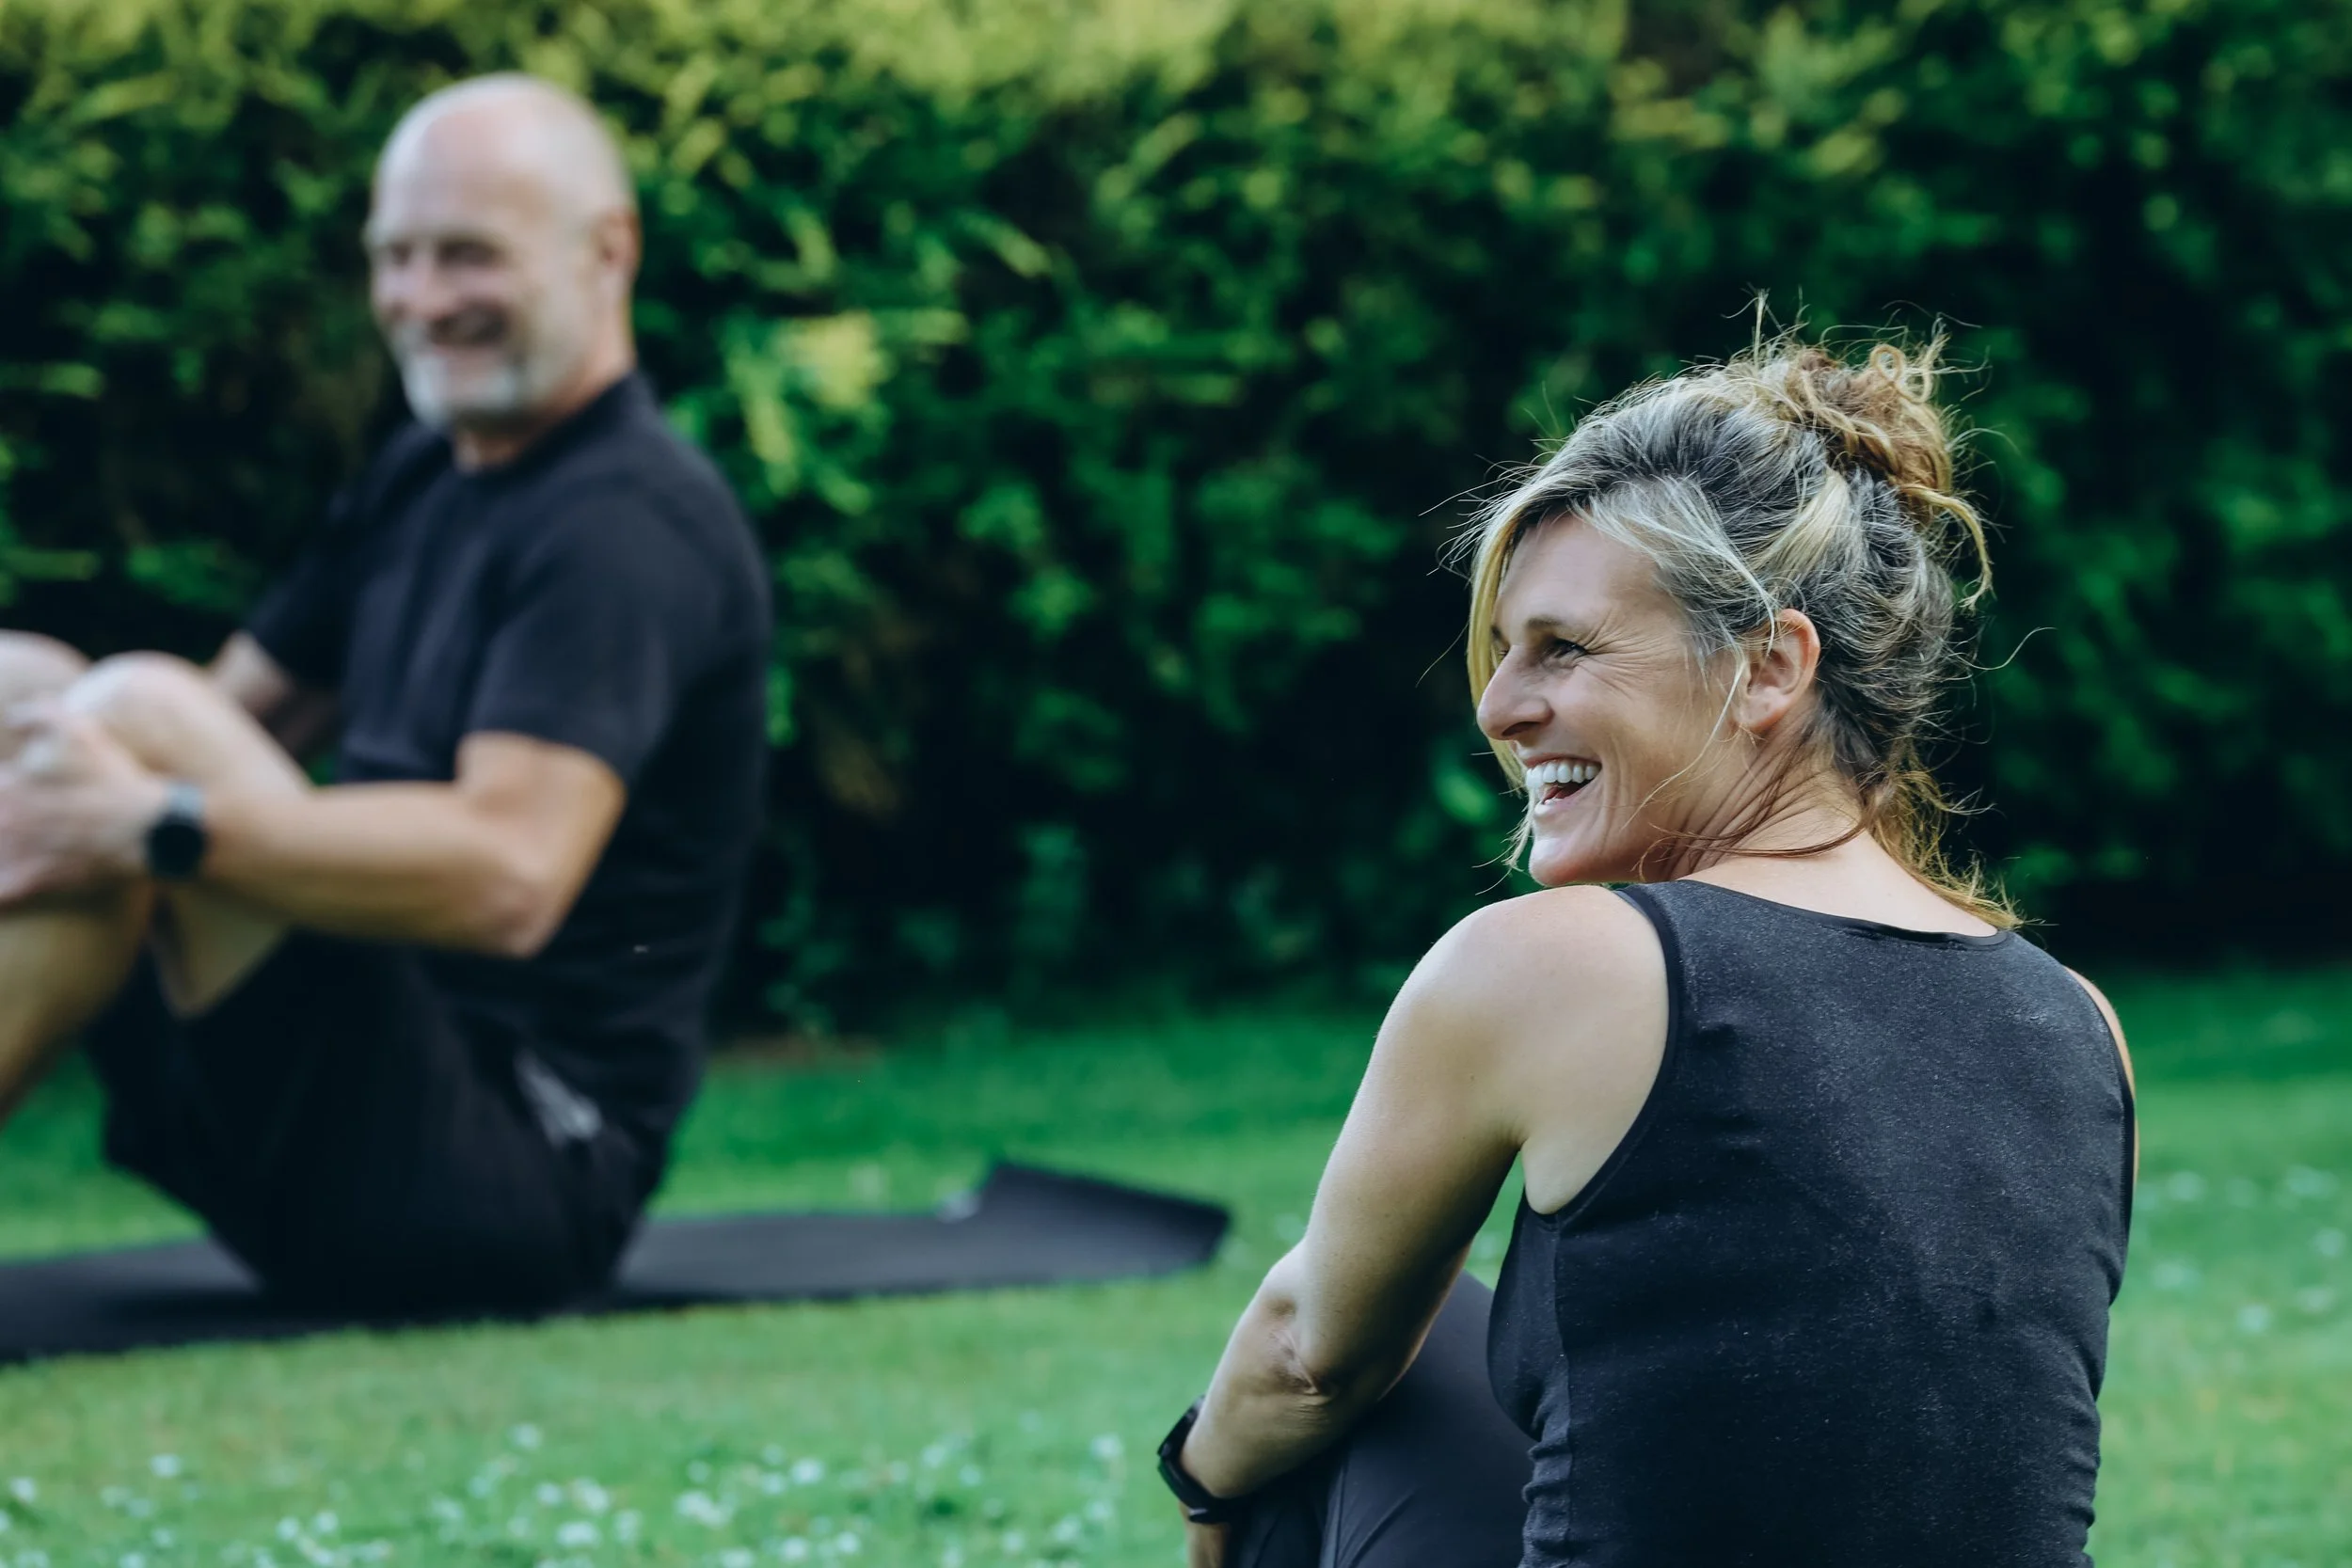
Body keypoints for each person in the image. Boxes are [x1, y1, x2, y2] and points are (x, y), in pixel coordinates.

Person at [1154, 338, 2137, 1566]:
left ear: (1768, 668)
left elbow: (1308, 1357)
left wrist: (1204, 1496)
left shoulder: (1558, 964)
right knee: (1434, 1326)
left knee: (1345, 1366)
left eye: (1563, 647)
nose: (1498, 706)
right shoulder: (2079, 1023)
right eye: (1505, 647)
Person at [0, 75, 771, 1314]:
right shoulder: (423, 475)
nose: (421, 299)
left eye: (469, 255)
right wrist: (77, 789)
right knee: (30, 693)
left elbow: (510, 876)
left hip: (513, 1170)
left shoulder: (629, 524)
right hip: (338, 1105)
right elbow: (221, 714)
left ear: (607, 252)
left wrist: (152, 828)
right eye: (395, 258)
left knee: (128, 713)